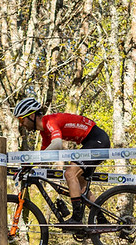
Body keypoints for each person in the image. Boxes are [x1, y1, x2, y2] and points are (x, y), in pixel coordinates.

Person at [13, 97, 110, 227]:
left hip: (96, 140)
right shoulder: (44, 133)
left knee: (70, 174)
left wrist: (34, 161)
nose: (21, 124)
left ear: (31, 116)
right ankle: (102, 220)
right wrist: (27, 166)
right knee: (81, 188)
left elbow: (57, 144)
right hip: (91, 142)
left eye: (21, 119)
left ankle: (76, 219)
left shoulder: (50, 121)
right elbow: (44, 156)